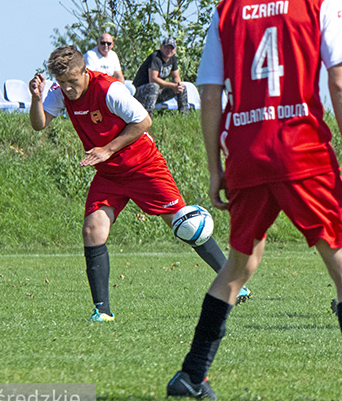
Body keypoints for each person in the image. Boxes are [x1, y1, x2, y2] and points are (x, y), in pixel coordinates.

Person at [166, 0, 342, 401]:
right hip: (302, 150)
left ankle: (190, 374)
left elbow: (207, 93)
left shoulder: (228, 9)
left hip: (247, 150)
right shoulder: (323, 0)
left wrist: (215, 166)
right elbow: (340, 81)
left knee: (240, 264)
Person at [28, 46, 249, 322]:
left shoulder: (109, 90)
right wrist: (37, 99)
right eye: (62, 83)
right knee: (92, 230)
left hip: (144, 166)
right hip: (110, 175)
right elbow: (39, 124)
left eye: (73, 82)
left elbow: (144, 120)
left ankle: (235, 283)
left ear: (85, 71)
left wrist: (107, 149)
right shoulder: (60, 92)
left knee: (186, 226)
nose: (68, 89)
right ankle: (102, 312)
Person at [132, 37, 189, 115]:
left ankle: (184, 115)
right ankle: (147, 116)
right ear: (161, 47)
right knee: (154, 86)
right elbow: (153, 79)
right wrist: (173, 85)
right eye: (166, 47)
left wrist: (178, 85)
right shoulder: (155, 57)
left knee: (182, 87)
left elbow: (176, 76)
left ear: (175, 50)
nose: (169, 50)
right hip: (140, 92)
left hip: (157, 93)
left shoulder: (173, 59)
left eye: (171, 48)